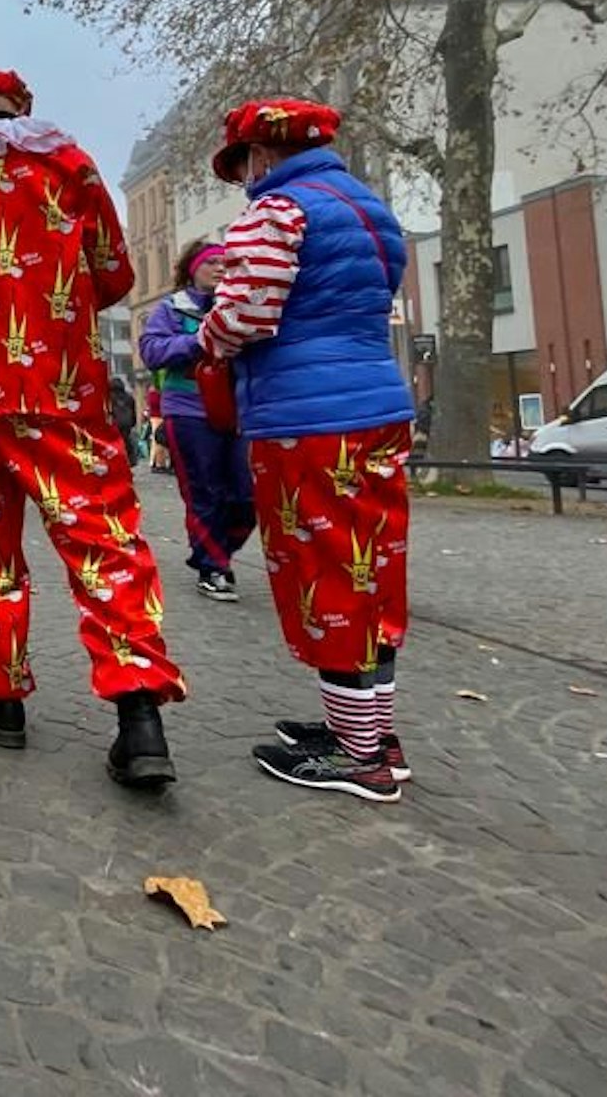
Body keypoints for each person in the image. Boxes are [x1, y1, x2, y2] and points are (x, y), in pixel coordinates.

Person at [0, 68, 184, 783]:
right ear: (21, 110)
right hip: (61, 390)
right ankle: (139, 713)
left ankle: (2, 698)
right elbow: (115, 274)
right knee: (103, 540)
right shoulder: (68, 166)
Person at [198, 97, 415, 804]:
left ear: (261, 155)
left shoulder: (279, 211)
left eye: (245, 166)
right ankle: (372, 733)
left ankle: (359, 759)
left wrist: (207, 344)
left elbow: (242, 316)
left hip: (306, 413)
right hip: (378, 402)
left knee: (324, 572)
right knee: (372, 567)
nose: (246, 181)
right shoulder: (370, 209)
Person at [140, 238, 256, 601]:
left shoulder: (242, 308)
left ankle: (216, 551)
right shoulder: (172, 308)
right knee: (205, 491)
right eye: (212, 263)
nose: (221, 268)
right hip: (188, 409)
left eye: (226, 263)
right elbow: (151, 350)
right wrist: (198, 341)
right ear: (193, 268)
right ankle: (213, 567)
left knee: (245, 499)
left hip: (235, 410)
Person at [107, 377, 140, 466]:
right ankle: (130, 460)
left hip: (114, 423)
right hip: (127, 423)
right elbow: (133, 411)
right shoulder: (129, 397)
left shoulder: (109, 397)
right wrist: (133, 422)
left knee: (115, 443)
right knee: (126, 441)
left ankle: (117, 461)